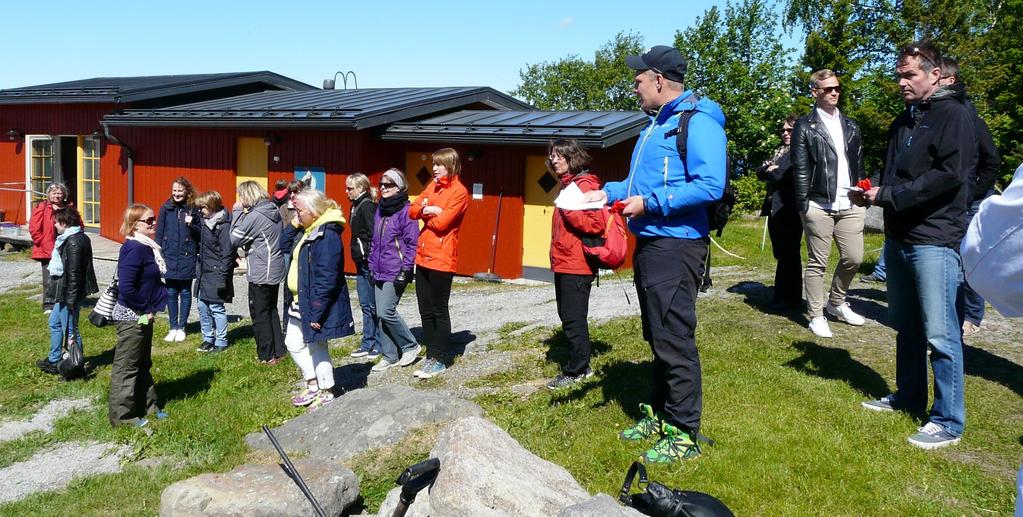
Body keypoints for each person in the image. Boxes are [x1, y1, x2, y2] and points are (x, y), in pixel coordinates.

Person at [583, 45, 727, 464]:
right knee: (656, 334)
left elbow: (709, 185)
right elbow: (634, 184)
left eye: (638, 79)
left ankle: (684, 432)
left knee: (674, 336)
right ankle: (663, 416)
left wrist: (652, 203)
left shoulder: (698, 123)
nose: (634, 87)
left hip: (677, 244)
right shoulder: (653, 126)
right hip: (651, 243)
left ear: (659, 80)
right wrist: (600, 192)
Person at [853, 41, 977, 450]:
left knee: (941, 335)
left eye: (910, 76)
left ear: (935, 74)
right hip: (900, 235)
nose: (903, 83)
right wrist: (868, 189)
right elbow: (893, 172)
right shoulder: (904, 119)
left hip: (934, 238)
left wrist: (889, 195)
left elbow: (950, 175)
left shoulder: (954, 115)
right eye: (899, 76)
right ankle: (908, 396)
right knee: (906, 326)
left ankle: (947, 420)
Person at [792, 69, 867, 338]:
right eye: (827, 89)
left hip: (851, 202)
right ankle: (816, 314)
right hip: (818, 204)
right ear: (815, 92)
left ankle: (836, 302)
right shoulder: (805, 125)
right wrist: (804, 205)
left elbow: (858, 163)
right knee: (817, 262)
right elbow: (800, 168)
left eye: (836, 88)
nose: (834, 92)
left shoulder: (851, 125)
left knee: (853, 257)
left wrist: (863, 193)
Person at [938, 56, 1002, 337]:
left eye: (936, 77)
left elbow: (992, 162)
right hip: (950, 201)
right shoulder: (934, 113)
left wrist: (971, 195)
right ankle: (949, 312)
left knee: (968, 259)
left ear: (950, 80)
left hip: (972, 201)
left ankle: (972, 315)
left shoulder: (969, 115)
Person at [285, 189, 355, 409]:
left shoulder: (327, 235)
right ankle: (312, 383)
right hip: (300, 301)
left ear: (314, 212)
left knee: (317, 346)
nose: (297, 214)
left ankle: (326, 390)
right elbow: (282, 245)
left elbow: (327, 277)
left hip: (314, 304)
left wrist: (317, 311)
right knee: (293, 343)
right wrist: (294, 224)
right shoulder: (308, 230)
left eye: (300, 211)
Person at [545, 139, 606, 390]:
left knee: (573, 318)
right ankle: (582, 364)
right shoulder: (568, 185)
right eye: (553, 156)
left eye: (561, 156)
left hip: (577, 263)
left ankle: (578, 369)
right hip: (564, 261)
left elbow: (596, 224)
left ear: (574, 157)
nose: (555, 160)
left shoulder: (585, 185)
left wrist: (570, 210)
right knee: (567, 315)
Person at [408, 148, 469, 379]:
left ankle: (441, 358)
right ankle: (431, 355)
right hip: (423, 254)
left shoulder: (459, 192)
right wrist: (427, 209)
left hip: (442, 257)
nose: (434, 168)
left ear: (451, 166)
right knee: (425, 309)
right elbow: (411, 211)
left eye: (439, 164)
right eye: (434, 164)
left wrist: (427, 211)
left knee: (438, 309)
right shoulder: (432, 186)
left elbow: (443, 224)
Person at [109, 204, 169, 427]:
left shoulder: (148, 247)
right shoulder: (134, 248)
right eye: (149, 220)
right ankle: (123, 418)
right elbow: (126, 287)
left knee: (142, 362)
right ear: (135, 225)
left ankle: (149, 407)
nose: (154, 223)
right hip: (132, 316)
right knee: (127, 366)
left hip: (143, 315)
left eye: (154, 219)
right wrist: (145, 309)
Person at [367, 169, 421, 372]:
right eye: (381, 184)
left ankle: (410, 346)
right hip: (379, 269)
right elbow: (375, 240)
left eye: (388, 184)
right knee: (379, 314)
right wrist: (371, 265)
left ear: (400, 187)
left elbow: (412, 243)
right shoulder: (380, 209)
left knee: (386, 311)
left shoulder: (406, 211)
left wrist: (406, 270)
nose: (383, 188)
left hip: (395, 270)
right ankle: (389, 355)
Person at [231, 181, 286, 364]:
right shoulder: (273, 210)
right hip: (274, 267)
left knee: (259, 313)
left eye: (242, 196)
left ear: (248, 196)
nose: (240, 200)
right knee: (271, 310)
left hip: (262, 270)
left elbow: (234, 239)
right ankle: (279, 350)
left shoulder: (255, 216)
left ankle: (267, 355)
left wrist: (237, 212)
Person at [37, 208, 97, 374]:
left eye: (56, 222)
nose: (54, 225)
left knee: (71, 329)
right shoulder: (72, 237)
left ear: (64, 223)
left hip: (69, 293)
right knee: (54, 323)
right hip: (65, 292)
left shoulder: (74, 241)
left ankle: (76, 363)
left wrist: (70, 300)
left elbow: (75, 273)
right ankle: (54, 359)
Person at [757, 115, 803, 309]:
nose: (785, 133)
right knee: (782, 252)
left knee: (789, 252)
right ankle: (781, 295)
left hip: (790, 207)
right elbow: (761, 170)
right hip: (776, 207)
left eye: (789, 130)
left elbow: (780, 174)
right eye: (783, 130)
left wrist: (772, 169)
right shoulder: (780, 152)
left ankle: (789, 298)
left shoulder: (799, 151)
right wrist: (770, 169)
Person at [156, 177, 200, 342]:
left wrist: (191, 225)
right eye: (174, 190)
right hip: (169, 255)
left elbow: (200, 233)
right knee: (171, 292)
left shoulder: (193, 209)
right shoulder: (166, 208)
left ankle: (182, 327)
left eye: (180, 191)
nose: (176, 194)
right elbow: (159, 232)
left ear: (187, 192)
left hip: (187, 255)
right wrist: (158, 252)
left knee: (185, 292)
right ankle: (172, 326)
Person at [192, 191, 235, 354]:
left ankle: (221, 341)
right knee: (202, 306)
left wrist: (223, 277)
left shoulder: (223, 226)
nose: (200, 210)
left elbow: (226, 253)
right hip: (204, 271)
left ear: (211, 207)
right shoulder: (205, 222)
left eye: (202, 207)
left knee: (216, 307)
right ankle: (208, 338)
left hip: (217, 272)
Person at [346, 173, 381, 359]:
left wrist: (368, 256)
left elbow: (372, 234)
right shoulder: (356, 205)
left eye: (350, 188)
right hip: (360, 261)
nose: (347, 192)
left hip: (367, 261)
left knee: (373, 305)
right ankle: (368, 342)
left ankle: (377, 342)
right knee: (365, 304)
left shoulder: (366, 206)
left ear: (360, 188)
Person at [29, 183, 70, 314]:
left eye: (59, 193)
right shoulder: (42, 207)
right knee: (48, 277)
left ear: (64, 194)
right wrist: (40, 241)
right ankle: (48, 304)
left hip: (66, 246)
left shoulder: (69, 207)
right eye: (54, 193)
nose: (57, 196)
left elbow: (77, 223)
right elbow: (34, 227)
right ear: (49, 195)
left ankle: (63, 300)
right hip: (48, 247)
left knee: (65, 275)